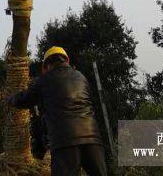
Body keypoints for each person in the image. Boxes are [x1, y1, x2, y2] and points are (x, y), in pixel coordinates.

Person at [8, 46, 106, 176]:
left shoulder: (44, 81)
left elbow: (24, 100)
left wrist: (10, 99)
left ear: (46, 66)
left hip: (64, 142)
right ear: (67, 61)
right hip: (93, 140)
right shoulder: (81, 77)